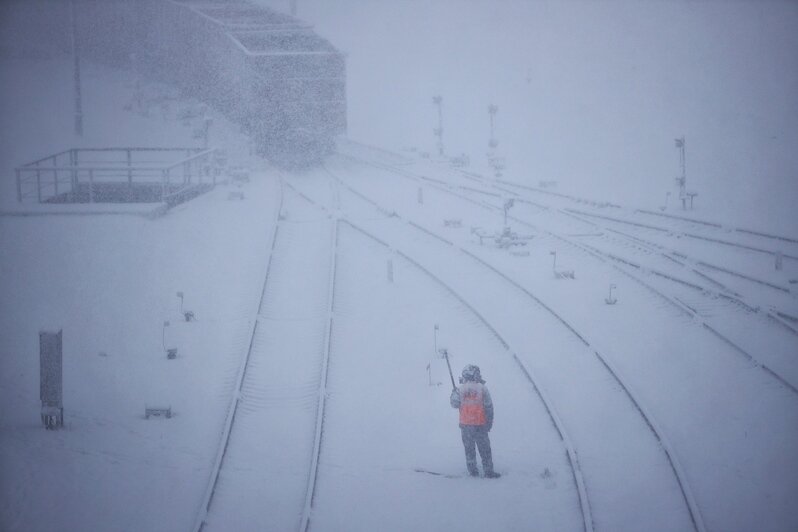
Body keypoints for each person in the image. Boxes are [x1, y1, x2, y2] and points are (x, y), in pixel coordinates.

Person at [450, 365, 500, 478]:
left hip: (466, 426)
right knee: (485, 450)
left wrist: (453, 393)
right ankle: (488, 471)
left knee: (469, 450)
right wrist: (489, 423)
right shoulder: (482, 388)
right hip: (480, 425)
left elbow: (454, 404)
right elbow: (489, 407)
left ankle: (473, 472)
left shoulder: (460, 389)